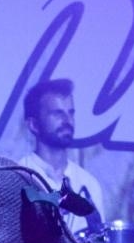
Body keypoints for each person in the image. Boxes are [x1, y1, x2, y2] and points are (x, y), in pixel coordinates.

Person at [18, 77, 107, 234]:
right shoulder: (18, 177)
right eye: (57, 113)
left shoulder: (89, 184)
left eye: (71, 113)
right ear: (33, 124)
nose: (67, 120)